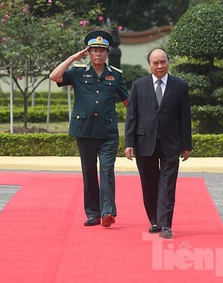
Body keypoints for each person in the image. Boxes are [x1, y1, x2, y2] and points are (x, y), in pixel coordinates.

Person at [49, 30, 129, 228]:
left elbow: (129, 103)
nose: (98, 54)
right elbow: (54, 76)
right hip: (84, 130)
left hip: (108, 132)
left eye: (102, 50)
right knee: (89, 172)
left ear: (107, 53)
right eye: (94, 50)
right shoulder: (78, 72)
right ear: (89, 52)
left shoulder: (115, 76)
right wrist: (73, 57)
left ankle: (107, 212)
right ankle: (93, 213)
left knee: (107, 170)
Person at [124, 48, 192, 239]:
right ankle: (154, 220)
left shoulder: (179, 85)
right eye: (156, 63)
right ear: (149, 65)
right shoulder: (138, 85)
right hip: (144, 142)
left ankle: (166, 224)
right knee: (149, 184)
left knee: (168, 185)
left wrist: (187, 144)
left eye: (163, 62)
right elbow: (132, 116)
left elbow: (185, 117)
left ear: (168, 62)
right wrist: (129, 142)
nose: (160, 66)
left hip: (172, 142)